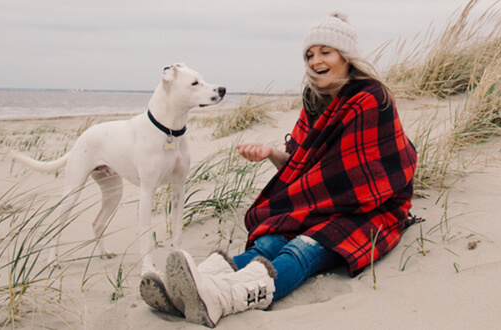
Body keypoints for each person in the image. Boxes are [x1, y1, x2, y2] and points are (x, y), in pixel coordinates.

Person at [140, 12, 417, 327]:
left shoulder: (370, 99)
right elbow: (301, 166)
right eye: (309, 55)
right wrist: (271, 153)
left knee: (301, 248)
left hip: (369, 208)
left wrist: (316, 194)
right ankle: (193, 283)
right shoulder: (315, 102)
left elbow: (360, 174)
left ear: (345, 56)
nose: (315, 61)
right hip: (322, 203)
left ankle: (225, 296)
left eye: (325, 52)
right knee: (270, 243)